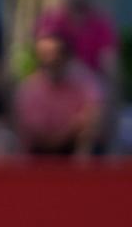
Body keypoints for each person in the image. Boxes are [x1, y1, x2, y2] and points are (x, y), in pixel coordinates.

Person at [13, 27, 110, 157]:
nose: (51, 59)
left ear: (68, 56)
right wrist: (72, 127)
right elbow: (31, 130)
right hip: (39, 149)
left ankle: (82, 176)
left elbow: (94, 116)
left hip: (74, 147)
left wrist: (73, 131)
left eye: (57, 53)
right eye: (44, 54)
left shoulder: (85, 81)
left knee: (89, 137)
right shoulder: (29, 89)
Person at [35, 0, 119, 92]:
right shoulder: (50, 21)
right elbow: (46, 58)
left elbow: (109, 63)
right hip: (57, 87)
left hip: (93, 91)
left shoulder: (102, 23)